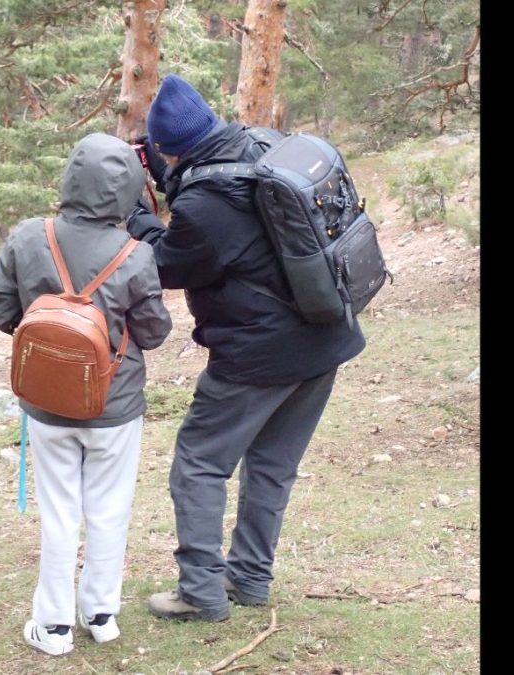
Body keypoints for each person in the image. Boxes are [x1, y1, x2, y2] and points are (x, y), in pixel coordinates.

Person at [126, 74, 366, 622]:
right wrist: (165, 170)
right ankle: (249, 580)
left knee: (199, 464)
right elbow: (212, 187)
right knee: (272, 466)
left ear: (170, 146)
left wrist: (139, 220)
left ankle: (201, 594)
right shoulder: (260, 143)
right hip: (324, 335)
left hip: (259, 355)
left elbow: (170, 263)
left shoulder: (206, 206)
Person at [0, 133, 172, 656]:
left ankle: (53, 627)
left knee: (60, 514)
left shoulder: (28, 236)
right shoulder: (136, 254)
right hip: (115, 406)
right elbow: (154, 333)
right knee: (110, 511)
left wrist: (49, 337)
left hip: (46, 403)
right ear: (129, 189)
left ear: (70, 177)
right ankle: (102, 614)